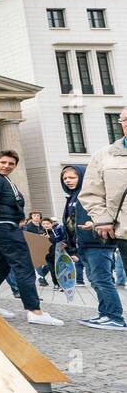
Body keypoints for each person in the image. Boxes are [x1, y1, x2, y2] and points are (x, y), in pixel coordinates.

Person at [0, 150, 60, 325]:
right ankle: (34, 311)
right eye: (3, 162)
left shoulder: (3, 180)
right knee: (24, 265)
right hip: (3, 226)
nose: (6, 166)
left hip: (1, 226)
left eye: (11, 164)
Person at [76, 108, 127, 329]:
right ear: (121, 123)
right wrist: (102, 219)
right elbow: (91, 193)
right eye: (126, 119)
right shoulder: (104, 155)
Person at [56, 165, 123, 330]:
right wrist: (69, 243)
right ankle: (104, 313)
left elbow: (110, 214)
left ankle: (116, 317)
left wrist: (94, 224)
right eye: (65, 178)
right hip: (85, 245)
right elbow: (71, 224)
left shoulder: (93, 195)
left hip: (99, 243)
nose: (68, 181)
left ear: (83, 176)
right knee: (95, 281)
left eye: (72, 177)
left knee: (103, 279)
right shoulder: (72, 197)